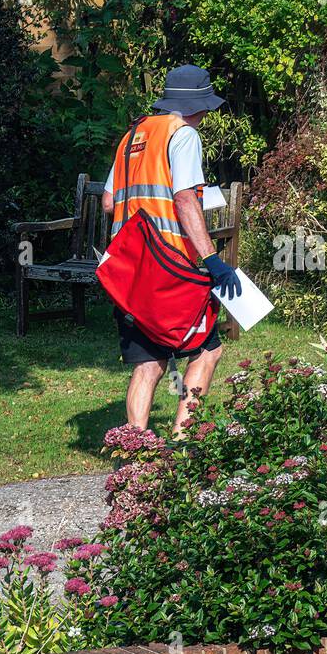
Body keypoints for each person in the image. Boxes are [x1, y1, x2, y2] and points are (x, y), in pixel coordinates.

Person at [102, 64, 242, 433]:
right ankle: (183, 443)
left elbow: (106, 201)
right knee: (207, 349)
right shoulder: (183, 135)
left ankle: (134, 452)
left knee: (148, 362)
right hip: (169, 267)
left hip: (129, 269)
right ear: (200, 106)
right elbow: (183, 200)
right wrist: (213, 260)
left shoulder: (133, 134)